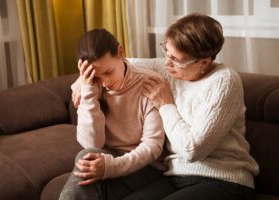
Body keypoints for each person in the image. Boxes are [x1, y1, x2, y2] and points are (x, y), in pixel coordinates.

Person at [128, 13, 258, 200]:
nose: (167, 63)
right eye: (166, 52)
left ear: (204, 62)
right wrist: (84, 81)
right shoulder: (168, 70)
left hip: (226, 181)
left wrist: (165, 104)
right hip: (175, 175)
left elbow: (192, 150)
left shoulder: (224, 81)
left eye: (176, 59)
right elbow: (119, 65)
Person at [58, 29, 166, 200]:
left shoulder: (149, 83)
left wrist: (111, 167)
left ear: (121, 52)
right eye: (96, 77)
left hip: (145, 168)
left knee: (85, 163)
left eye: (108, 72)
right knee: (87, 157)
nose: (105, 83)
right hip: (106, 160)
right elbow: (92, 144)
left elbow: (153, 146)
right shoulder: (87, 87)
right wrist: (88, 90)